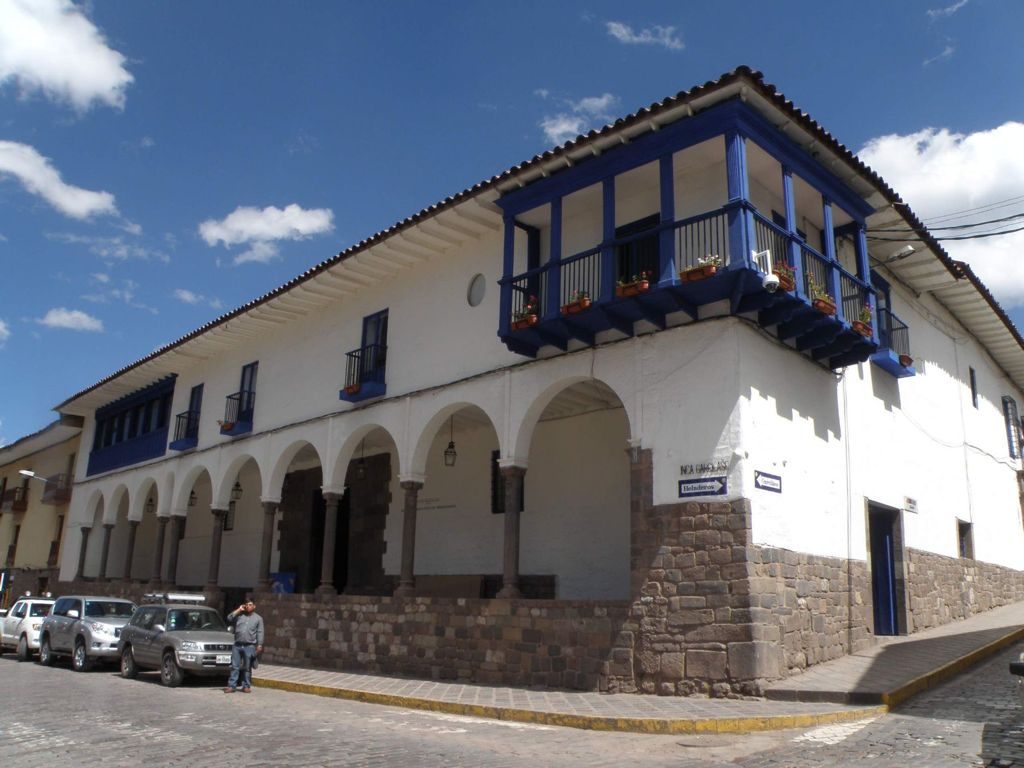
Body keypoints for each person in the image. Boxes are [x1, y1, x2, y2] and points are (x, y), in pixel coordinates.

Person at [224, 599, 264, 693]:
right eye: (246, 605)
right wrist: (239, 609)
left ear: (254, 606)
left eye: (250, 605)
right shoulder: (240, 616)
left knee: (247, 667)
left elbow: (260, 632)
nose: (248, 606)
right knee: (235, 666)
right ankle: (232, 686)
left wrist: (260, 645)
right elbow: (229, 618)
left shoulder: (258, 618)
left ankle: (246, 686)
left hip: (249, 646)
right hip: (237, 645)